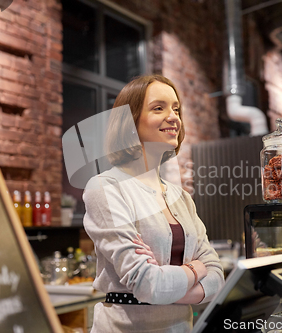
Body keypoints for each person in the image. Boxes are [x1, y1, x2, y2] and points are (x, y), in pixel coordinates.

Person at [83, 74, 225, 332]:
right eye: (158, 108)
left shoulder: (181, 197)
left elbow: (217, 275)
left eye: (176, 108)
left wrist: (165, 286)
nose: (173, 117)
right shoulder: (106, 187)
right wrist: (196, 268)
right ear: (130, 121)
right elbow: (148, 284)